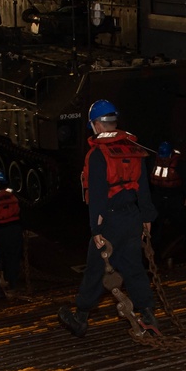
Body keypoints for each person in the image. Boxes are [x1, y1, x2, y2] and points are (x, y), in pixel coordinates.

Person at [58, 99, 159, 338]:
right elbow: (143, 187)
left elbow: (98, 196)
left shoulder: (97, 156)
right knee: (133, 267)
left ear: (96, 125)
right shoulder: (134, 149)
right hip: (132, 218)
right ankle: (149, 316)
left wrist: (96, 229)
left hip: (110, 220)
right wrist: (146, 217)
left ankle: (80, 318)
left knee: (95, 269)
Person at [148, 141, 186, 259]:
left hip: (174, 196)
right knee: (157, 223)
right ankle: (155, 250)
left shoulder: (179, 164)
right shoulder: (153, 161)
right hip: (158, 196)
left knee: (180, 219)